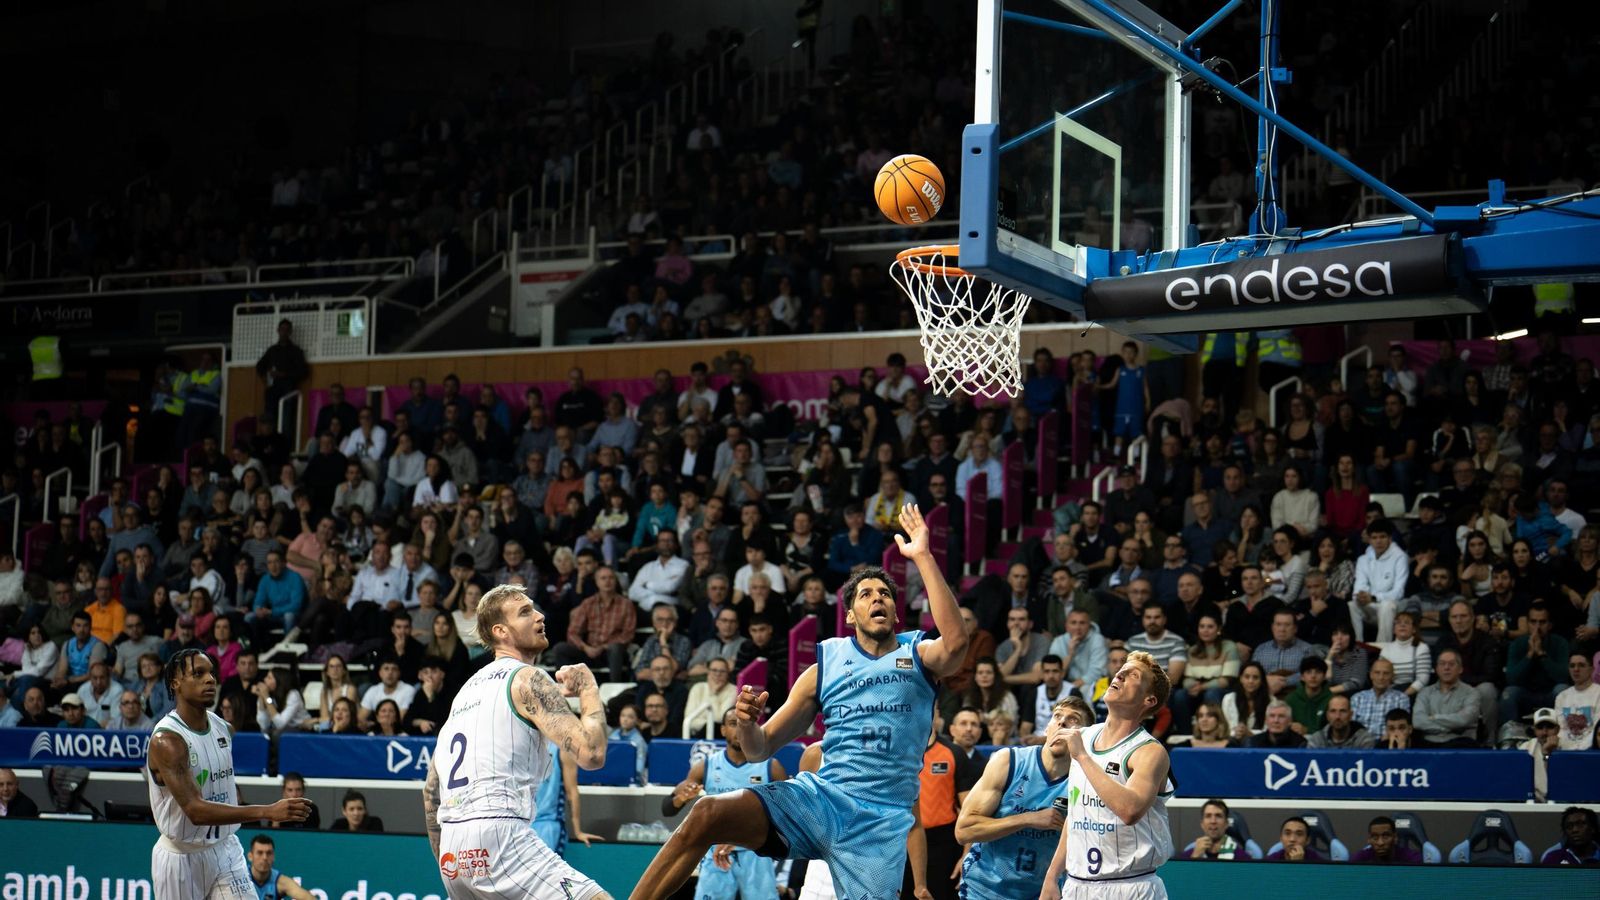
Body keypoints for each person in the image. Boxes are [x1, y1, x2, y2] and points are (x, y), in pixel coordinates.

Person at [626, 504, 968, 900]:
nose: (879, 598)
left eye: (886, 594)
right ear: (851, 616)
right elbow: (760, 750)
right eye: (866, 594)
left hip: (880, 821)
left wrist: (922, 556)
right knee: (706, 813)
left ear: (894, 613)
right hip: (820, 800)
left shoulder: (919, 653)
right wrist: (749, 725)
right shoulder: (825, 667)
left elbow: (957, 643)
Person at [421, 584, 610, 899]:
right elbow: (592, 754)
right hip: (500, 835)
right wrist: (589, 689)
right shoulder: (527, 678)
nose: (539, 616)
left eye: (534, 608)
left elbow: (430, 789)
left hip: (453, 852)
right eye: (525, 612)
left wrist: (448, 860)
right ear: (501, 631)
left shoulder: (463, 694)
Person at [145, 649, 312, 897]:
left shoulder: (223, 727)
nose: (210, 679)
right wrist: (267, 811)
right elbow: (195, 811)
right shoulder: (168, 741)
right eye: (198, 673)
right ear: (175, 683)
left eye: (211, 672)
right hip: (181, 857)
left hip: (226, 849)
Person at [1039, 650, 1174, 899]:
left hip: (1131, 886)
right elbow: (1077, 815)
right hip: (1077, 884)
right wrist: (1051, 875)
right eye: (1121, 669)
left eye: (1133, 674)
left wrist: (1082, 757)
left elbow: (1129, 810)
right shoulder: (1085, 737)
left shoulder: (1149, 752)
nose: (1120, 674)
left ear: (1149, 700)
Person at [956, 697, 1094, 900]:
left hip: (1041, 893)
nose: (1062, 722)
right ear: (1047, 728)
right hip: (984, 889)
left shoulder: (1086, 781)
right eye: (1057, 716)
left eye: (1073, 719)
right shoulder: (1009, 761)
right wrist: (1028, 819)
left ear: (1086, 736)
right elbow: (964, 830)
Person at [660, 709, 788, 900]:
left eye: (746, 724)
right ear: (723, 730)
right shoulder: (706, 766)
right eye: (733, 723)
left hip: (756, 853)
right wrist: (681, 799)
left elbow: (788, 815)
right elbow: (667, 808)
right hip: (715, 852)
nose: (739, 729)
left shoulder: (771, 767)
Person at [1351, 518, 1408, 643]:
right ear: (1369, 539)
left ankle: (1382, 648)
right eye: (1374, 537)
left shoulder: (1400, 557)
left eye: (1382, 537)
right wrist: (1361, 596)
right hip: (1372, 605)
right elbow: (1359, 586)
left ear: (1390, 538)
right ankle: (1358, 645)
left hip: (1395, 606)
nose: (1378, 541)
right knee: (1352, 604)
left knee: (1387, 605)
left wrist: (1374, 597)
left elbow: (1399, 592)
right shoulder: (1363, 559)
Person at [1412, 648, 1482, 747]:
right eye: (1442, 663)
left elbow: (1465, 719)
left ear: (1460, 669)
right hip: (1429, 743)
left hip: (1460, 744)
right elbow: (1418, 721)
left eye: (1451, 664)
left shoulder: (1471, 693)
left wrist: (1434, 717)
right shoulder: (1425, 693)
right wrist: (1450, 727)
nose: (1446, 667)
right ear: (1436, 669)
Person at [1176, 799, 1252, 860]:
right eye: (1208, 816)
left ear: (1226, 823)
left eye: (1218, 816)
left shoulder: (1242, 858)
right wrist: (1195, 858)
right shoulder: (1186, 858)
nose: (1213, 821)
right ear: (1202, 824)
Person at [1553, 652, 1599, 750]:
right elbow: (1562, 729)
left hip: (1591, 751)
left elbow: (1596, 730)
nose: (1576, 669)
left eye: (1581, 665)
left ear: (1592, 669)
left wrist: (1579, 750)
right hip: (1566, 751)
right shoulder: (1562, 697)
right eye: (1572, 666)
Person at [246, 834, 315, 899]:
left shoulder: (280, 881)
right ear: (250, 856)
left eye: (269, 853)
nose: (265, 857)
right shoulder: (240, 878)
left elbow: (309, 898)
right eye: (260, 853)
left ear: (274, 856)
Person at [1307, 695, 1374, 749]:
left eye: (1343, 711)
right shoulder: (1317, 739)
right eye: (1333, 711)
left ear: (1350, 715)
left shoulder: (1363, 739)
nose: (1337, 716)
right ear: (1327, 715)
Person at [1349, 816, 1423, 864]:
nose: (1380, 843)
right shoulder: (1359, 860)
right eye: (1375, 837)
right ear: (1369, 840)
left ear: (1395, 838)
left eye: (1385, 836)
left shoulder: (1413, 859)